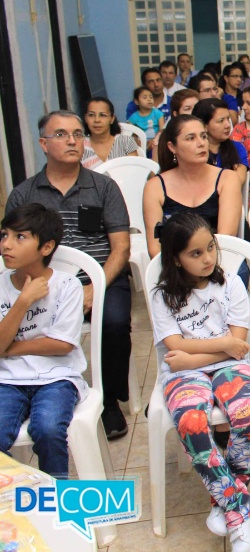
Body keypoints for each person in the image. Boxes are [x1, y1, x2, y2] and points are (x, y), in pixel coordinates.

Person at [6, 111, 132, 440]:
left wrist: (95, 287)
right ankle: (32, 391)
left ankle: (109, 399)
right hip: (42, 282)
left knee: (116, 322)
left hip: (102, 277)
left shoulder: (103, 187)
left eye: (78, 134)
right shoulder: (23, 193)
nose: (73, 140)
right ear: (43, 144)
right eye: (62, 135)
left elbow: (120, 248)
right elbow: (15, 254)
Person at [150, 213, 250, 550]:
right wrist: (223, 344)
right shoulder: (162, 296)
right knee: (191, 421)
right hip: (187, 372)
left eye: (210, 247)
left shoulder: (232, 285)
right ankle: (239, 507)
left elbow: (238, 342)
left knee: (247, 412)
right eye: (195, 254)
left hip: (225, 364)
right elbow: (174, 348)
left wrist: (197, 356)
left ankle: (223, 501)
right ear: (176, 259)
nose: (208, 258)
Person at [0, 204, 85, 478]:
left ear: (46, 247)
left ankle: (57, 503)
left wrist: (10, 348)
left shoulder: (67, 285)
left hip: (57, 378)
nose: (6, 245)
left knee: (48, 429)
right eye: (4, 235)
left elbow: (62, 345)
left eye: (19, 237)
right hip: (7, 380)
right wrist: (23, 301)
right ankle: (10, 506)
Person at [143, 115, 243, 258]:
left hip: (221, 259)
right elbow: (155, 247)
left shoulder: (227, 178)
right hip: (174, 265)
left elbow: (226, 237)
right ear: (172, 147)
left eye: (203, 136)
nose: (201, 143)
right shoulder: (155, 186)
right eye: (191, 138)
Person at [195, 98, 249, 186]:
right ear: (204, 126)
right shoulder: (195, 149)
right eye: (221, 121)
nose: (228, 125)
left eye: (228, 119)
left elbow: (239, 180)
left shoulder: (237, 147)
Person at [80, 97, 140, 169]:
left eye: (102, 115)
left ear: (112, 119)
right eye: (91, 115)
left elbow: (135, 172)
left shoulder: (126, 142)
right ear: (86, 118)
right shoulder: (79, 145)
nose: (97, 120)